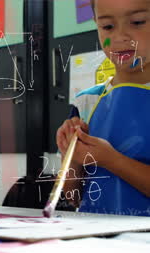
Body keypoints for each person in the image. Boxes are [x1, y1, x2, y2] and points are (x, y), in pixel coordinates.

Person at [56, 0, 150, 215]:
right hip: (97, 241)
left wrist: (111, 160)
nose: (119, 37)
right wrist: (70, 157)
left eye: (137, 22)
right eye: (108, 26)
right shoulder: (87, 102)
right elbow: (74, 197)